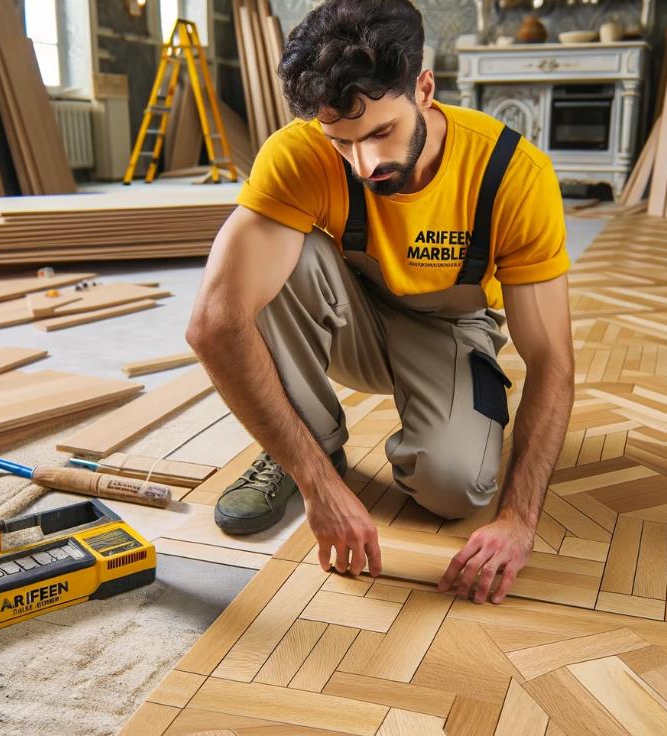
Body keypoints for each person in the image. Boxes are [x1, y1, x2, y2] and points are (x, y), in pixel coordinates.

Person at [186, 0, 574, 604]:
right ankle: (312, 448)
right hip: (350, 312)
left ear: (423, 88)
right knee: (277, 263)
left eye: (380, 133)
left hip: (451, 327)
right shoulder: (300, 154)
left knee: (456, 490)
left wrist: (519, 519)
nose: (365, 164)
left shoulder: (513, 174)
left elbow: (552, 360)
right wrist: (315, 482)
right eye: (341, 142)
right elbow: (213, 325)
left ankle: (444, 429)